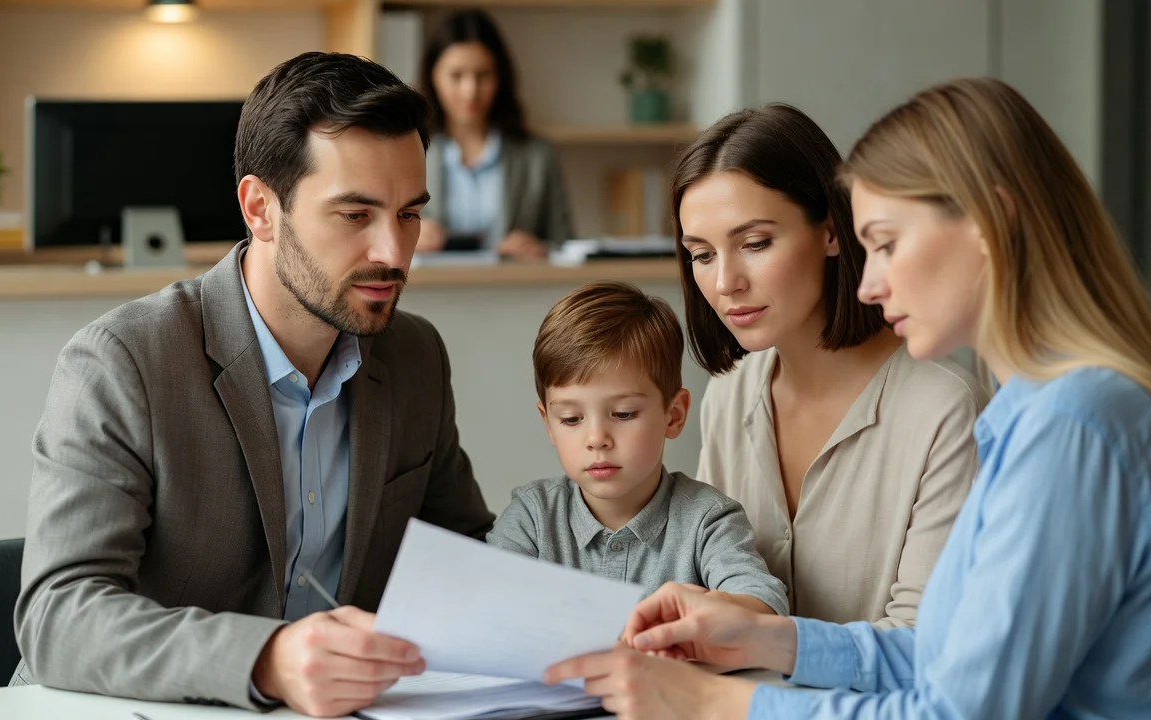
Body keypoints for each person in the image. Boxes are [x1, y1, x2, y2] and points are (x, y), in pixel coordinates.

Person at [544, 77, 1151, 718]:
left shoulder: (1067, 425)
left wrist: (714, 703)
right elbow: (944, 658)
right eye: (700, 254)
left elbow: (954, 710)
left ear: (990, 223)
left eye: (886, 244)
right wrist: (765, 637)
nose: (870, 282)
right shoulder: (1030, 413)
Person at [9, 52, 496, 718]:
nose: (393, 252)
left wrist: (607, 582)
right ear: (260, 209)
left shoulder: (414, 356)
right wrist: (268, 659)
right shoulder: (124, 362)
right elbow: (58, 616)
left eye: (408, 215)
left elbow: (465, 556)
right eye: (356, 215)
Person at [678, 103, 988, 627]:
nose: (726, 282)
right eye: (702, 255)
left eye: (754, 243)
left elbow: (923, 642)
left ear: (831, 231)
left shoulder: (946, 409)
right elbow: (705, 578)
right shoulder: (729, 393)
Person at [486, 281, 788, 612]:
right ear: (548, 424)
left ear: (674, 415)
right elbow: (483, 604)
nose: (596, 438)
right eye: (571, 419)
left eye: (623, 414)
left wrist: (713, 614)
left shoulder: (709, 520)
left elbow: (763, 603)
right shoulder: (532, 516)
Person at [416, 8, 573, 259]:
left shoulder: (537, 155)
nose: (470, 90)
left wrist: (541, 250)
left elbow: (566, 245)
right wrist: (409, 233)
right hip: (430, 283)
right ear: (433, 76)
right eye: (456, 75)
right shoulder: (410, 150)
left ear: (500, 77)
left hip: (514, 283)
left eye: (483, 75)